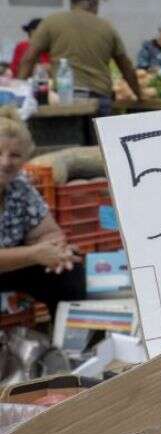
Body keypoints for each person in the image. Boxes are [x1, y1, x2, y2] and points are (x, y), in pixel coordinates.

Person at [0, 107, 83, 316]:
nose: (5, 162)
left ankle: (69, 341)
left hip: (12, 267)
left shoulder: (19, 186)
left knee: (69, 265)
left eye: (15, 155)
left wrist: (57, 250)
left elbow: (48, 232)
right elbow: (33, 253)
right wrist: (34, 254)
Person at [18, 0, 142, 115]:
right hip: (98, 99)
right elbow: (126, 67)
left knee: (68, 136)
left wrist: (19, 91)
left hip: (63, 99)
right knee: (97, 135)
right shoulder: (107, 27)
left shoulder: (51, 22)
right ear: (92, 3)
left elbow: (28, 58)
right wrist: (139, 95)